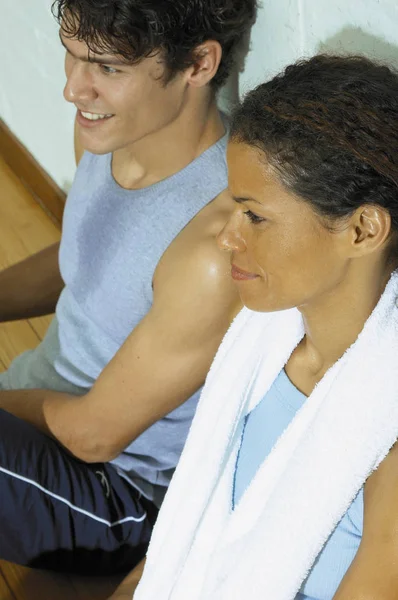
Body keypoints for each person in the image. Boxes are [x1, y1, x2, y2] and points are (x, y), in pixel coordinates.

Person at [0, 0, 258, 576]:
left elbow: (96, 435)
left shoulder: (217, 241)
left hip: (118, 492)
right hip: (34, 419)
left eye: (107, 69)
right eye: (71, 58)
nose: (74, 89)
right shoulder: (107, 132)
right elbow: (86, 257)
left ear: (198, 64)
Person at [131, 55, 398, 600]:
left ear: (363, 229)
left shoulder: (386, 433)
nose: (228, 237)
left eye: (255, 215)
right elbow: (184, 541)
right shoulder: (258, 344)